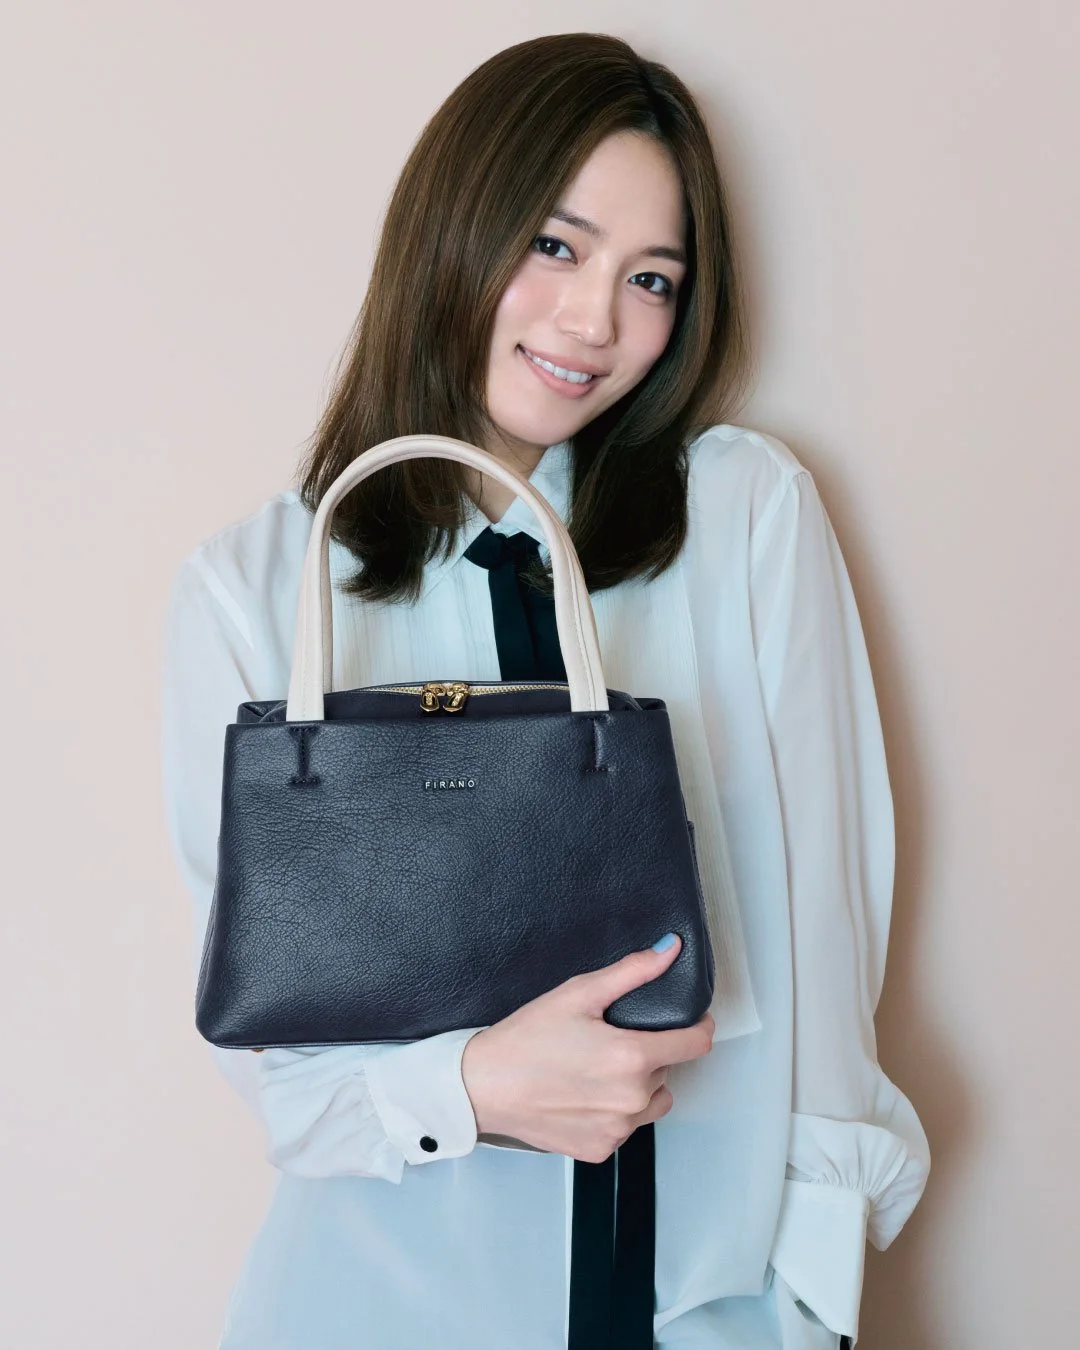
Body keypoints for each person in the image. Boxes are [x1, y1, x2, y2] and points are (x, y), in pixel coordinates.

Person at [161, 31, 929, 1350]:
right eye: (555, 246)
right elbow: (276, 1062)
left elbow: (825, 923)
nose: (594, 322)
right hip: (377, 1311)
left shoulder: (741, 515)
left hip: (713, 1313)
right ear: (450, 231)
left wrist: (812, 1300)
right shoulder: (256, 588)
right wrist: (472, 1083)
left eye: (652, 278)